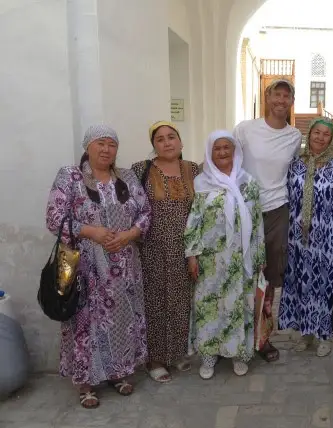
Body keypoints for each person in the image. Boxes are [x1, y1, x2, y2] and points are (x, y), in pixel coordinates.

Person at [46, 124, 151, 409]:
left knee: (121, 320)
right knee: (85, 323)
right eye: (100, 143)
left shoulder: (127, 177)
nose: (106, 149)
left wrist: (129, 235)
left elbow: (145, 213)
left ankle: (118, 373)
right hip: (85, 268)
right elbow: (54, 218)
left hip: (124, 267)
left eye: (112, 144)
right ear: (87, 146)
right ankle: (86, 384)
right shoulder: (70, 176)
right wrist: (92, 231)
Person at [184, 130, 265, 380]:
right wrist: (192, 254)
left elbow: (257, 221)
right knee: (210, 306)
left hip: (242, 259)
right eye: (216, 148)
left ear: (234, 151)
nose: (222, 152)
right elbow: (194, 220)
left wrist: (260, 256)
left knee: (240, 304)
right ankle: (209, 355)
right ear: (210, 153)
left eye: (226, 147)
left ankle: (239, 354)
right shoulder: (201, 183)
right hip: (211, 260)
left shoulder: (248, 182)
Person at [233, 79, 302, 362]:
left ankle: (263, 337)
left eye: (287, 96)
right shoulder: (245, 129)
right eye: (277, 94)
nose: (281, 100)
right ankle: (235, 335)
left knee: (269, 276)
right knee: (241, 272)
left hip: (277, 210)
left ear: (291, 101)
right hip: (245, 208)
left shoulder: (294, 136)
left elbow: (293, 170)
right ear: (267, 96)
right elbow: (228, 163)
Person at [278, 118, 333, 357]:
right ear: (309, 135)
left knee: (324, 287)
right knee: (302, 284)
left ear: (331, 139)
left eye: (326, 134)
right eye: (316, 133)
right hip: (298, 239)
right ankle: (305, 332)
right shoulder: (295, 166)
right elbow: (286, 199)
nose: (320, 138)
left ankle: (324, 335)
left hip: (328, 238)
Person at [132, 121, 200, 383]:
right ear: (153, 146)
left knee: (182, 302)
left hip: (185, 248)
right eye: (160, 139)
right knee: (155, 303)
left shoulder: (193, 169)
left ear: (180, 142)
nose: (167, 142)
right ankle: (156, 359)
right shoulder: (141, 170)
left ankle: (176, 353)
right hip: (153, 248)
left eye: (171, 137)